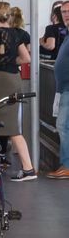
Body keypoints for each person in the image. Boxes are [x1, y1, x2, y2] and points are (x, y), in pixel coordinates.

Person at [0, 1, 37, 181]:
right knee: (12, 127)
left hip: (1, 79)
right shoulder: (17, 33)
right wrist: (11, 61)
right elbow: (26, 58)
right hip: (14, 79)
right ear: (9, 16)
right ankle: (27, 168)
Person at [50, 38, 69, 178]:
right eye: (63, 13)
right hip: (64, 89)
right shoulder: (67, 37)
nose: (66, 14)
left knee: (62, 125)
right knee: (64, 126)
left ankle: (67, 165)